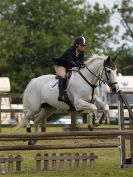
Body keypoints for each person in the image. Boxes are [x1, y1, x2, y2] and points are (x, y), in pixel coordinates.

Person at [53, 36, 86, 102]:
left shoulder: (81, 52)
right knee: (63, 76)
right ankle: (61, 95)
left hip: (69, 67)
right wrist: (78, 64)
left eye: (84, 45)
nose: (83, 47)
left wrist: (83, 65)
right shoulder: (70, 51)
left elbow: (82, 62)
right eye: (82, 45)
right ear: (77, 45)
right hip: (61, 65)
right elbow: (70, 62)